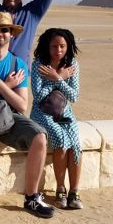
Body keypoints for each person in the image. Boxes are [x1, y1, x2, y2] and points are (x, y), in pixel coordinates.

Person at [0, 11, 55, 220]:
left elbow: (22, 105)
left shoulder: (18, 65)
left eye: (4, 30)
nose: (0, 34)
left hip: (7, 114)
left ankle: (32, 196)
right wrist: (6, 85)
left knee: (40, 136)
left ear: (11, 34)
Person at [30, 28, 82, 209]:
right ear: (47, 46)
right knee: (61, 140)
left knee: (75, 143)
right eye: (54, 46)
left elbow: (74, 96)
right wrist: (58, 78)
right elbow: (38, 97)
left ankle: (74, 191)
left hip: (64, 112)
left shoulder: (72, 65)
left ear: (68, 47)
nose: (58, 50)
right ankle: (61, 188)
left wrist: (58, 80)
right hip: (41, 112)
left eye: (62, 46)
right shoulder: (39, 65)